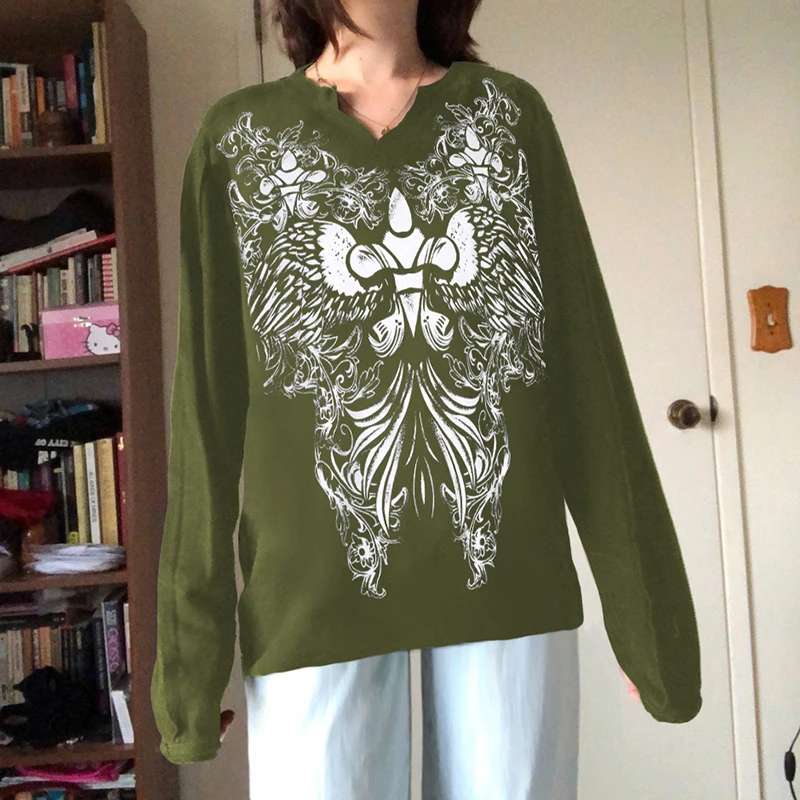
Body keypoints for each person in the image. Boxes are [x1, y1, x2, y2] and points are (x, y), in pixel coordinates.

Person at [150, 0, 702, 797]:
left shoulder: (506, 119)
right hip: (310, 595)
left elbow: (587, 380)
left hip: (505, 573)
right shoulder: (241, 139)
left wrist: (649, 625)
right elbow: (204, 415)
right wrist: (191, 665)